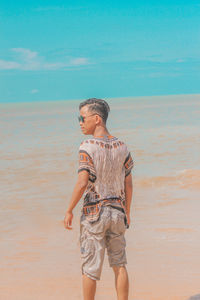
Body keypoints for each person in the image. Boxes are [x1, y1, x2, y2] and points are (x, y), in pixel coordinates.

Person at [64, 98, 134, 300]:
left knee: (90, 269)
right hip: (117, 212)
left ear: (97, 119)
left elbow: (82, 182)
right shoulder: (122, 146)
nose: (79, 122)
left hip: (95, 215)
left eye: (82, 117)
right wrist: (127, 212)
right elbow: (128, 184)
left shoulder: (87, 146)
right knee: (119, 264)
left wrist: (69, 209)